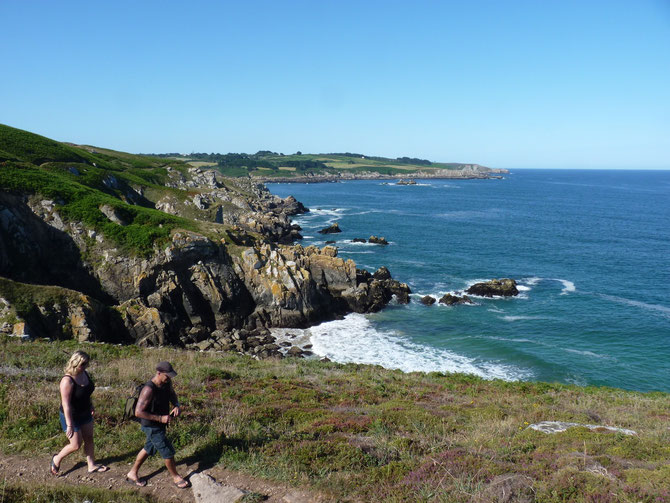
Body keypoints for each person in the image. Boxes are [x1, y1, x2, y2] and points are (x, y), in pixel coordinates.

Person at [126, 361, 190, 489]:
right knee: (168, 451)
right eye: (167, 376)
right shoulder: (148, 389)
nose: (169, 378)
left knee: (148, 448)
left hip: (160, 423)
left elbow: (172, 394)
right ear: (159, 373)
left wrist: (176, 405)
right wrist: (160, 418)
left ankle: (132, 473)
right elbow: (138, 412)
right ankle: (176, 477)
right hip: (150, 425)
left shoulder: (166, 383)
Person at [51, 350, 109, 476]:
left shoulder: (85, 373)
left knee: (89, 438)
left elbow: (86, 393)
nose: (85, 367)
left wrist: (90, 405)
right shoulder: (67, 381)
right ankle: (57, 458)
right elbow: (66, 405)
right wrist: (70, 424)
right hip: (72, 415)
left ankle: (91, 465)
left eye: (86, 364)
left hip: (85, 412)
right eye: (82, 364)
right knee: (75, 444)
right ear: (75, 363)